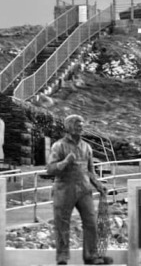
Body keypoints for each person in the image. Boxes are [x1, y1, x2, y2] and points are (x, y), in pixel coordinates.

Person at [46, 114, 112, 265]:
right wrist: (64, 162)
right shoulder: (59, 145)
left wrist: (98, 185)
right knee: (62, 223)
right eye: (78, 124)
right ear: (69, 126)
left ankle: (91, 255)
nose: (81, 127)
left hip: (84, 189)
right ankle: (62, 257)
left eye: (82, 124)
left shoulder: (86, 147)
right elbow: (50, 169)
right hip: (64, 188)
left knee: (91, 223)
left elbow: (90, 171)